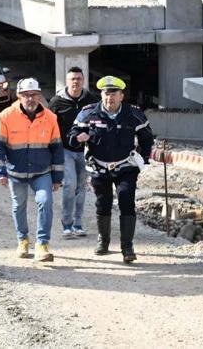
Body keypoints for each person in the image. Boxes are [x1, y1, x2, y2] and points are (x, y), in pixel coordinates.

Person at [68, 75, 154, 264]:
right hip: (99, 167)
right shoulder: (88, 113)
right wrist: (78, 138)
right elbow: (72, 135)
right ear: (101, 95)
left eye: (114, 94)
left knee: (126, 200)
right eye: (106, 94)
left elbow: (147, 138)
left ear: (122, 96)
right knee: (103, 203)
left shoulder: (134, 114)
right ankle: (103, 241)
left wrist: (143, 158)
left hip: (126, 167)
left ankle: (127, 247)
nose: (110, 98)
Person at [0, 78, 64, 263]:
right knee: (18, 206)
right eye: (26, 95)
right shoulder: (6, 116)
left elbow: (56, 148)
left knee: (45, 202)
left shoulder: (50, 118)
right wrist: (0, 172)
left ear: (39, 96)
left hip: (42, 172)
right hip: (17, 173)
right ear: (19, 96)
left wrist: (57, 176)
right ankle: (22, 240)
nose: (30, 99)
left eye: (34, 95)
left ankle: (42, 244)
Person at [47, 66, 100, 239]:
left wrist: (91, 136)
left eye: (78, 78)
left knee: (81, 187)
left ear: (83, 80)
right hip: (65, 150)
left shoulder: (92, 100)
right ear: (67, 81)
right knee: (69, 185)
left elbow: (99, 123)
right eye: (72, 79)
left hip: (85, 151)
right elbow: (49, 127)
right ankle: (67, 225)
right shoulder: (57, 102)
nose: (75, 82)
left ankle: (78, 224)